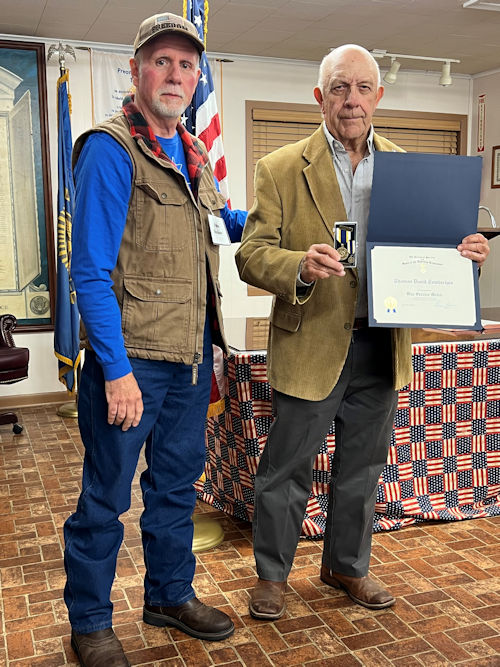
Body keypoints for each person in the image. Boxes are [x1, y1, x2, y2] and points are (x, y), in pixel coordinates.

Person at [235, 44, 490, 621]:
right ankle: (272, 576)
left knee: (362, 467)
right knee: (287, 468)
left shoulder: (407, 167)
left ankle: (346, 566)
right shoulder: (279, 168)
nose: (351, 100)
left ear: (379, 96)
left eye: (363, 88)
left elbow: (435, 249)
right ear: (319, 97)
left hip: (381, 340)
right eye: (340, 88)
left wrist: (467, 254)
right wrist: (298, 265)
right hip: (311, 341)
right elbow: (251, 255)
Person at [64, 13, 236, 666]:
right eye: (161, 61)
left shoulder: (190, 153)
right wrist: (115, 370)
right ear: (136, 72)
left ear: (197, 78)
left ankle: (169, 593)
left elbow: (220, 221)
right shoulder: (111, 150)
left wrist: (277, 233)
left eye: (186, 65)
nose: (175, 74)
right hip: (132, 359)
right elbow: (90, 272)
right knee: (105, 498)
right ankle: (90, 622)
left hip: (190, 359)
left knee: (174, 489)